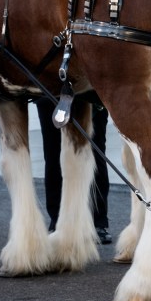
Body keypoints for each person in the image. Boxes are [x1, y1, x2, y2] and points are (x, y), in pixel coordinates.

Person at [35, 96, 111, 244]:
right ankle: (57, 219)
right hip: (47, 87)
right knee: (52, 151)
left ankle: (98, 220)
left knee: (95, 150)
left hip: (88, 87)